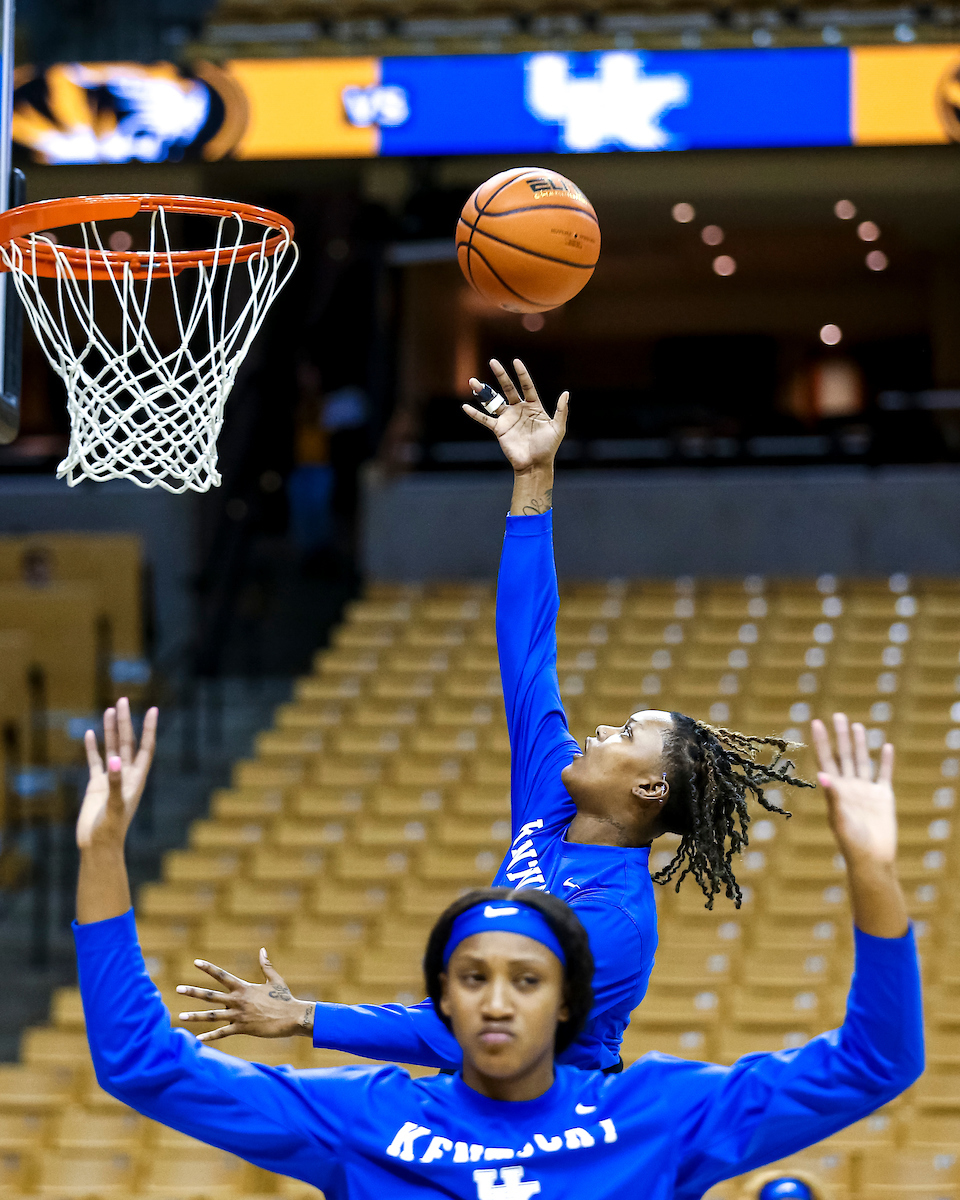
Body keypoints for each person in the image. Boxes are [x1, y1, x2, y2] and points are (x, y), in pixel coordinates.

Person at [177, 359, 812, 1073]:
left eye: (629, 735)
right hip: (488, 1096)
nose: (603, 731)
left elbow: (469, 1032)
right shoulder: (553, 799)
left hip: (563, 1132)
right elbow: (528, 647)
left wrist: (304, 1018)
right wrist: (533, 479)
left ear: (649, 790)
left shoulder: (615, 921)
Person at [77, 701, 922, 1200]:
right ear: (442, 1001)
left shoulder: (656, 1117)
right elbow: (139, 1064)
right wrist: (103, 855)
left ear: (567, 1004)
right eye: (473, 976)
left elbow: (875, 1063)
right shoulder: (365, 1121)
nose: (496, 997)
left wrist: (874, 874)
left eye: (526, 978)